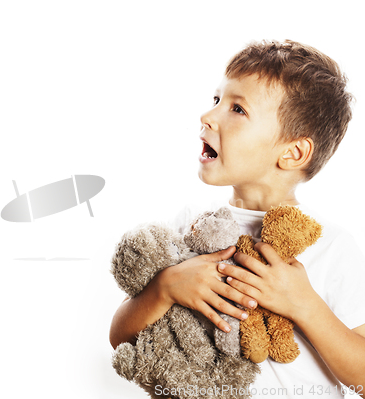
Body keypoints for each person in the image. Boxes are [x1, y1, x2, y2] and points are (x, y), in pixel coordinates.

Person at [109, 40, 365, 398]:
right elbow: (119, 336)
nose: (207, 116)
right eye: (216, 100)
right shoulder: (192, 227)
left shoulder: (332, 246)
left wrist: (304, 305)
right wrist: (166, 286)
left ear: (293, 152)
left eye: (237, 109)